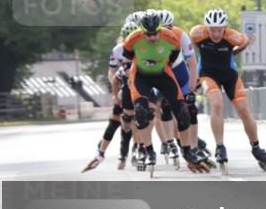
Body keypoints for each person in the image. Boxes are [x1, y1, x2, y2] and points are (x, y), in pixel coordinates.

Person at [190, 8, 266, 172]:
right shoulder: (197, 33)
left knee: (243, 110)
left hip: (229, 74)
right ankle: (220, 146)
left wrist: (233, 52)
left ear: (225, 28)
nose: (215, 34)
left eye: (219, 30)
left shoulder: (233, 36)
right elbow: (190, 52)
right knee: (216, 104)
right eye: (212, 30)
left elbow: (245, 42)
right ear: (206, 27)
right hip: (207, 75)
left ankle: (256, 147)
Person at [122, 12, 201, 176]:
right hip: (141, 77)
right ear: (142, 32)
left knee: (182, 111)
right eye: (148, 34)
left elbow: (173, 59)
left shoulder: (172, 38)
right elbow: (128, 61)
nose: (152, 37)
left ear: (160, 30)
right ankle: (148, 149)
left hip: (163, 74)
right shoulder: (132, 40)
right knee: (141, 111)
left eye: (155, 33)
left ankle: (187, 150)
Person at [82, 18, 140, 172]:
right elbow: (112, 72)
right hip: (124, 84)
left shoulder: (143, 47)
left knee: (136, 121)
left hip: (139, 86)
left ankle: (135, 150)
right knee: (116, 120)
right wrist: (116, 92)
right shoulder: (117, 50)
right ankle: (101, 153)